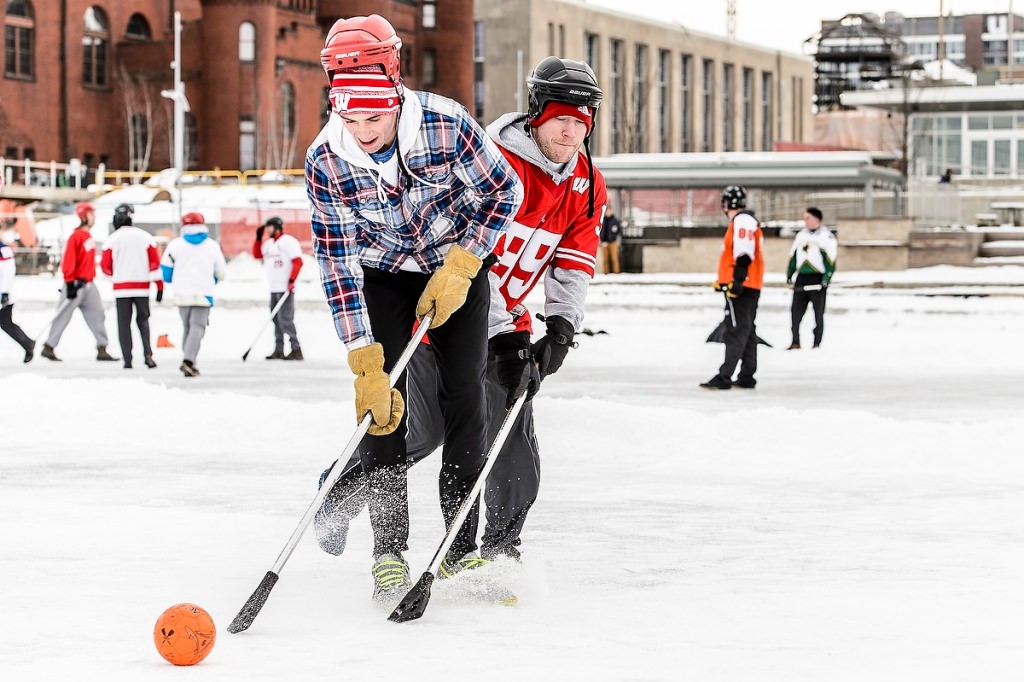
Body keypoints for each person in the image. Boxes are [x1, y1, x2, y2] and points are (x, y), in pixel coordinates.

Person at [314, 55, 607, 566]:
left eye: (581, 121)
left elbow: (573, 261)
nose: (570, 130)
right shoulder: (492, 159)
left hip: (508, 325)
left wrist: (561, 326)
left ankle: (499, 550)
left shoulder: (586, 183)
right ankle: (344, 489)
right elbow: (464, 251)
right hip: (438, 319)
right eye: (561, 117)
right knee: (424, 433)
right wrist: (497, 329)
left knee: (510, 432)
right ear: (537, 113)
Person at [305, 14, 522, 603]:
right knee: (383, 412)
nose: (362, 131)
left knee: (464, 398)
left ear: (394, 88)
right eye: (349, 119)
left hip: (455, 269)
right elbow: (336, 263)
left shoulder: (446, 125)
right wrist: (362, 360)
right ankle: (389, 551)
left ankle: (459, 543)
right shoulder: (326, 160)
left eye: (373, 118)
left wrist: (463, 262)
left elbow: (505, 191)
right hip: (382, 278)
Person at [700, 185, 764, 390]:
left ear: (726, 205)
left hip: (742, 286)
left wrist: (736, 280)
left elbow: (744, 253)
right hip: (749, 284)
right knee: (747, 330)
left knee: (735, 330)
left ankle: (725, 376)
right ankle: (747, 375)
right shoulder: (746, 221)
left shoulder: (742, 221)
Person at [41, 202, 117, 362]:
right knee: (63, 315)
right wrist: (69, 282)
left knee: (98, 315)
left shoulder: (88, 236)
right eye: (91, 214)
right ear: (84, 216)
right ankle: (49, 346)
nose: (94, 217)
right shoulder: (76, 236)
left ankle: (102, 347)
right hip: (75, 284)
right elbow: (68, 261)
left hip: (89, 284)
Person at [160, 212, 227, 378]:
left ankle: (190, 362)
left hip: (182, 293)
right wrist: (212, 280)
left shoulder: (175, 245)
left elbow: (166, 272)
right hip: (204, 293)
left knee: (187, 328)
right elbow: (221, 271)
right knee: (197, 328)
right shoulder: (212, 246)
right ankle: (189, 361)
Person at [100, 203, 163, 369]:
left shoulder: (112, 239)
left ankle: (127, 359)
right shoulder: (145, 237)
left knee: (124, 324)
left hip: (121, 289)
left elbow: (105, 267)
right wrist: (159, 286)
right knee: (143, 322)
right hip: (142, 288)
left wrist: (116, 277)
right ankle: (148, 355)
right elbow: (155, 264)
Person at [786, 207, 838, 350]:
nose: (805, 221)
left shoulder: (826, 237)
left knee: (818, 313)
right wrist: (789, 274)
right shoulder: (801, 236)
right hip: (802, 278)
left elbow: (831, 261)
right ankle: (795, 341)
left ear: (817, 219)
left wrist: (827, 277)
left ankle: (816, 342)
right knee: (795, 312)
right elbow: (793, 256)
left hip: (817, 279)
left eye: (808, 218)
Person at [253, 216, 303, 360]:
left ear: (277, 227)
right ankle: (279, 349)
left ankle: (296, 349)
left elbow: (298, 262)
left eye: (269, 227)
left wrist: (292, 280)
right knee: (276, 319)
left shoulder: (288, 241)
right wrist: (258, 238)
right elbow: (257, 255)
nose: (267, 230)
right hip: (273, 288)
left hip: (285, 288)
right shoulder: (268, 244)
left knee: (285, 319)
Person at [1, 236, 35, 363]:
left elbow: (8, 271)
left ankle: (28, 344)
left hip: (4, 295)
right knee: (6, 324)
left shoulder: (3, 250)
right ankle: (28, 344)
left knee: (6, 324)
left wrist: (5, 292)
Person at [600, 206, 622, 274]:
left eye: (610, 211)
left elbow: (619, 230)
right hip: (604, 242)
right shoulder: (603, 220)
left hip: (613, 242)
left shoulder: (615, 220)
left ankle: (616, 272)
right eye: (607, 211)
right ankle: (605, 272)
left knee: (614, 258)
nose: (608, 212)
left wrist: (614, 236)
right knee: (605, 259)